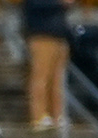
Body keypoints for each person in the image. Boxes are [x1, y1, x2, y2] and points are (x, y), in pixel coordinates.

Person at [23, 0, 70, 129]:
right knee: (41, 77)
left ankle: (57, 114)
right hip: (41, 34)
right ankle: (39, 115)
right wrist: (59, 3)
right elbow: (34, 4)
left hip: (59, 34)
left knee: (57, 79)